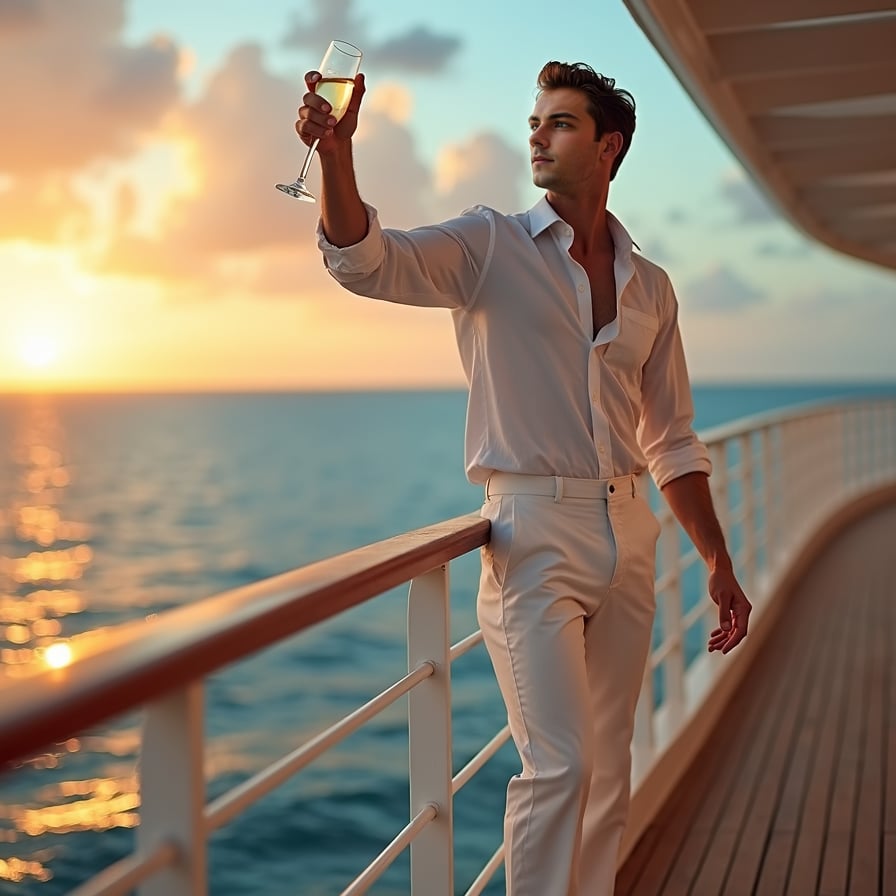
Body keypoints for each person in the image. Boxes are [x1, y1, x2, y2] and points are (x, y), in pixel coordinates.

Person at [296, 60, 751, 896]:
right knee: (559, 768)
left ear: (608, 147)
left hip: (631, 533)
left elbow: (673, 440)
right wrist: (336, 155)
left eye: (562, 122)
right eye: (536, 120)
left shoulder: (651, 285)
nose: (537, 134)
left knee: (608, 768)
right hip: (531, 536)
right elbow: (367, 261)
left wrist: (717, 560)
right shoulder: (489, 244)